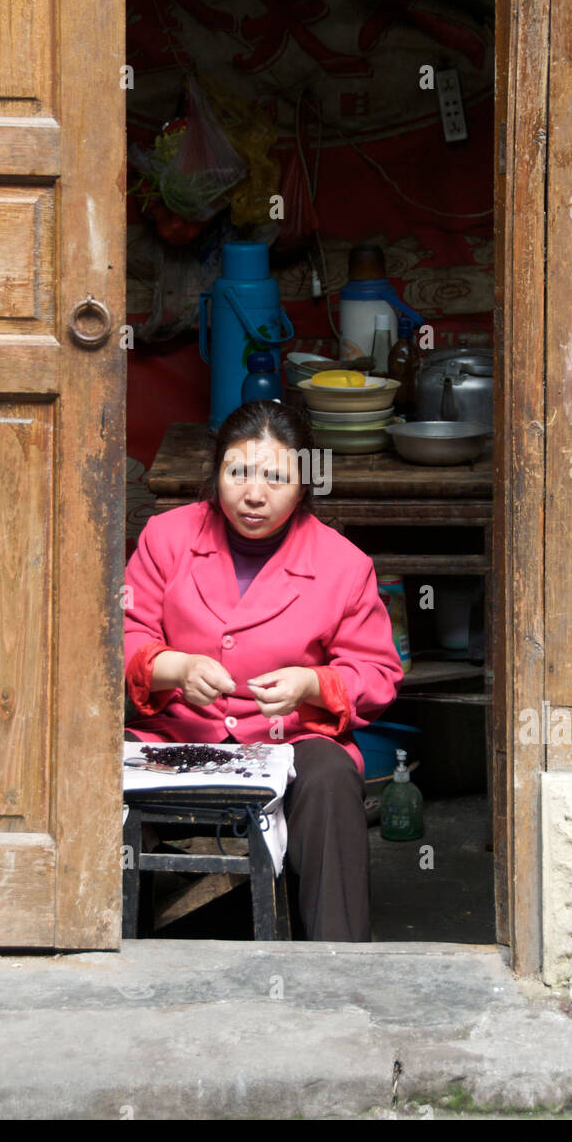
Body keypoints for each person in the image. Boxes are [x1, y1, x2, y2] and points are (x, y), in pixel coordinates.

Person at [123, 400, 404, 940]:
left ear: (305, 486)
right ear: (215, 473)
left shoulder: (343, 564)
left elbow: (377, 673)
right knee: (94, 768)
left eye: (277, 478)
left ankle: (337, 963)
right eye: (238, 473)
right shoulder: (166, 538)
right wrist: (171, 666)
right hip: (174, 732)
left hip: (288, 741)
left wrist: (311, 684)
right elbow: (123, 635)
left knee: (330, 779)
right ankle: (105, 945)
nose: (254, 494)